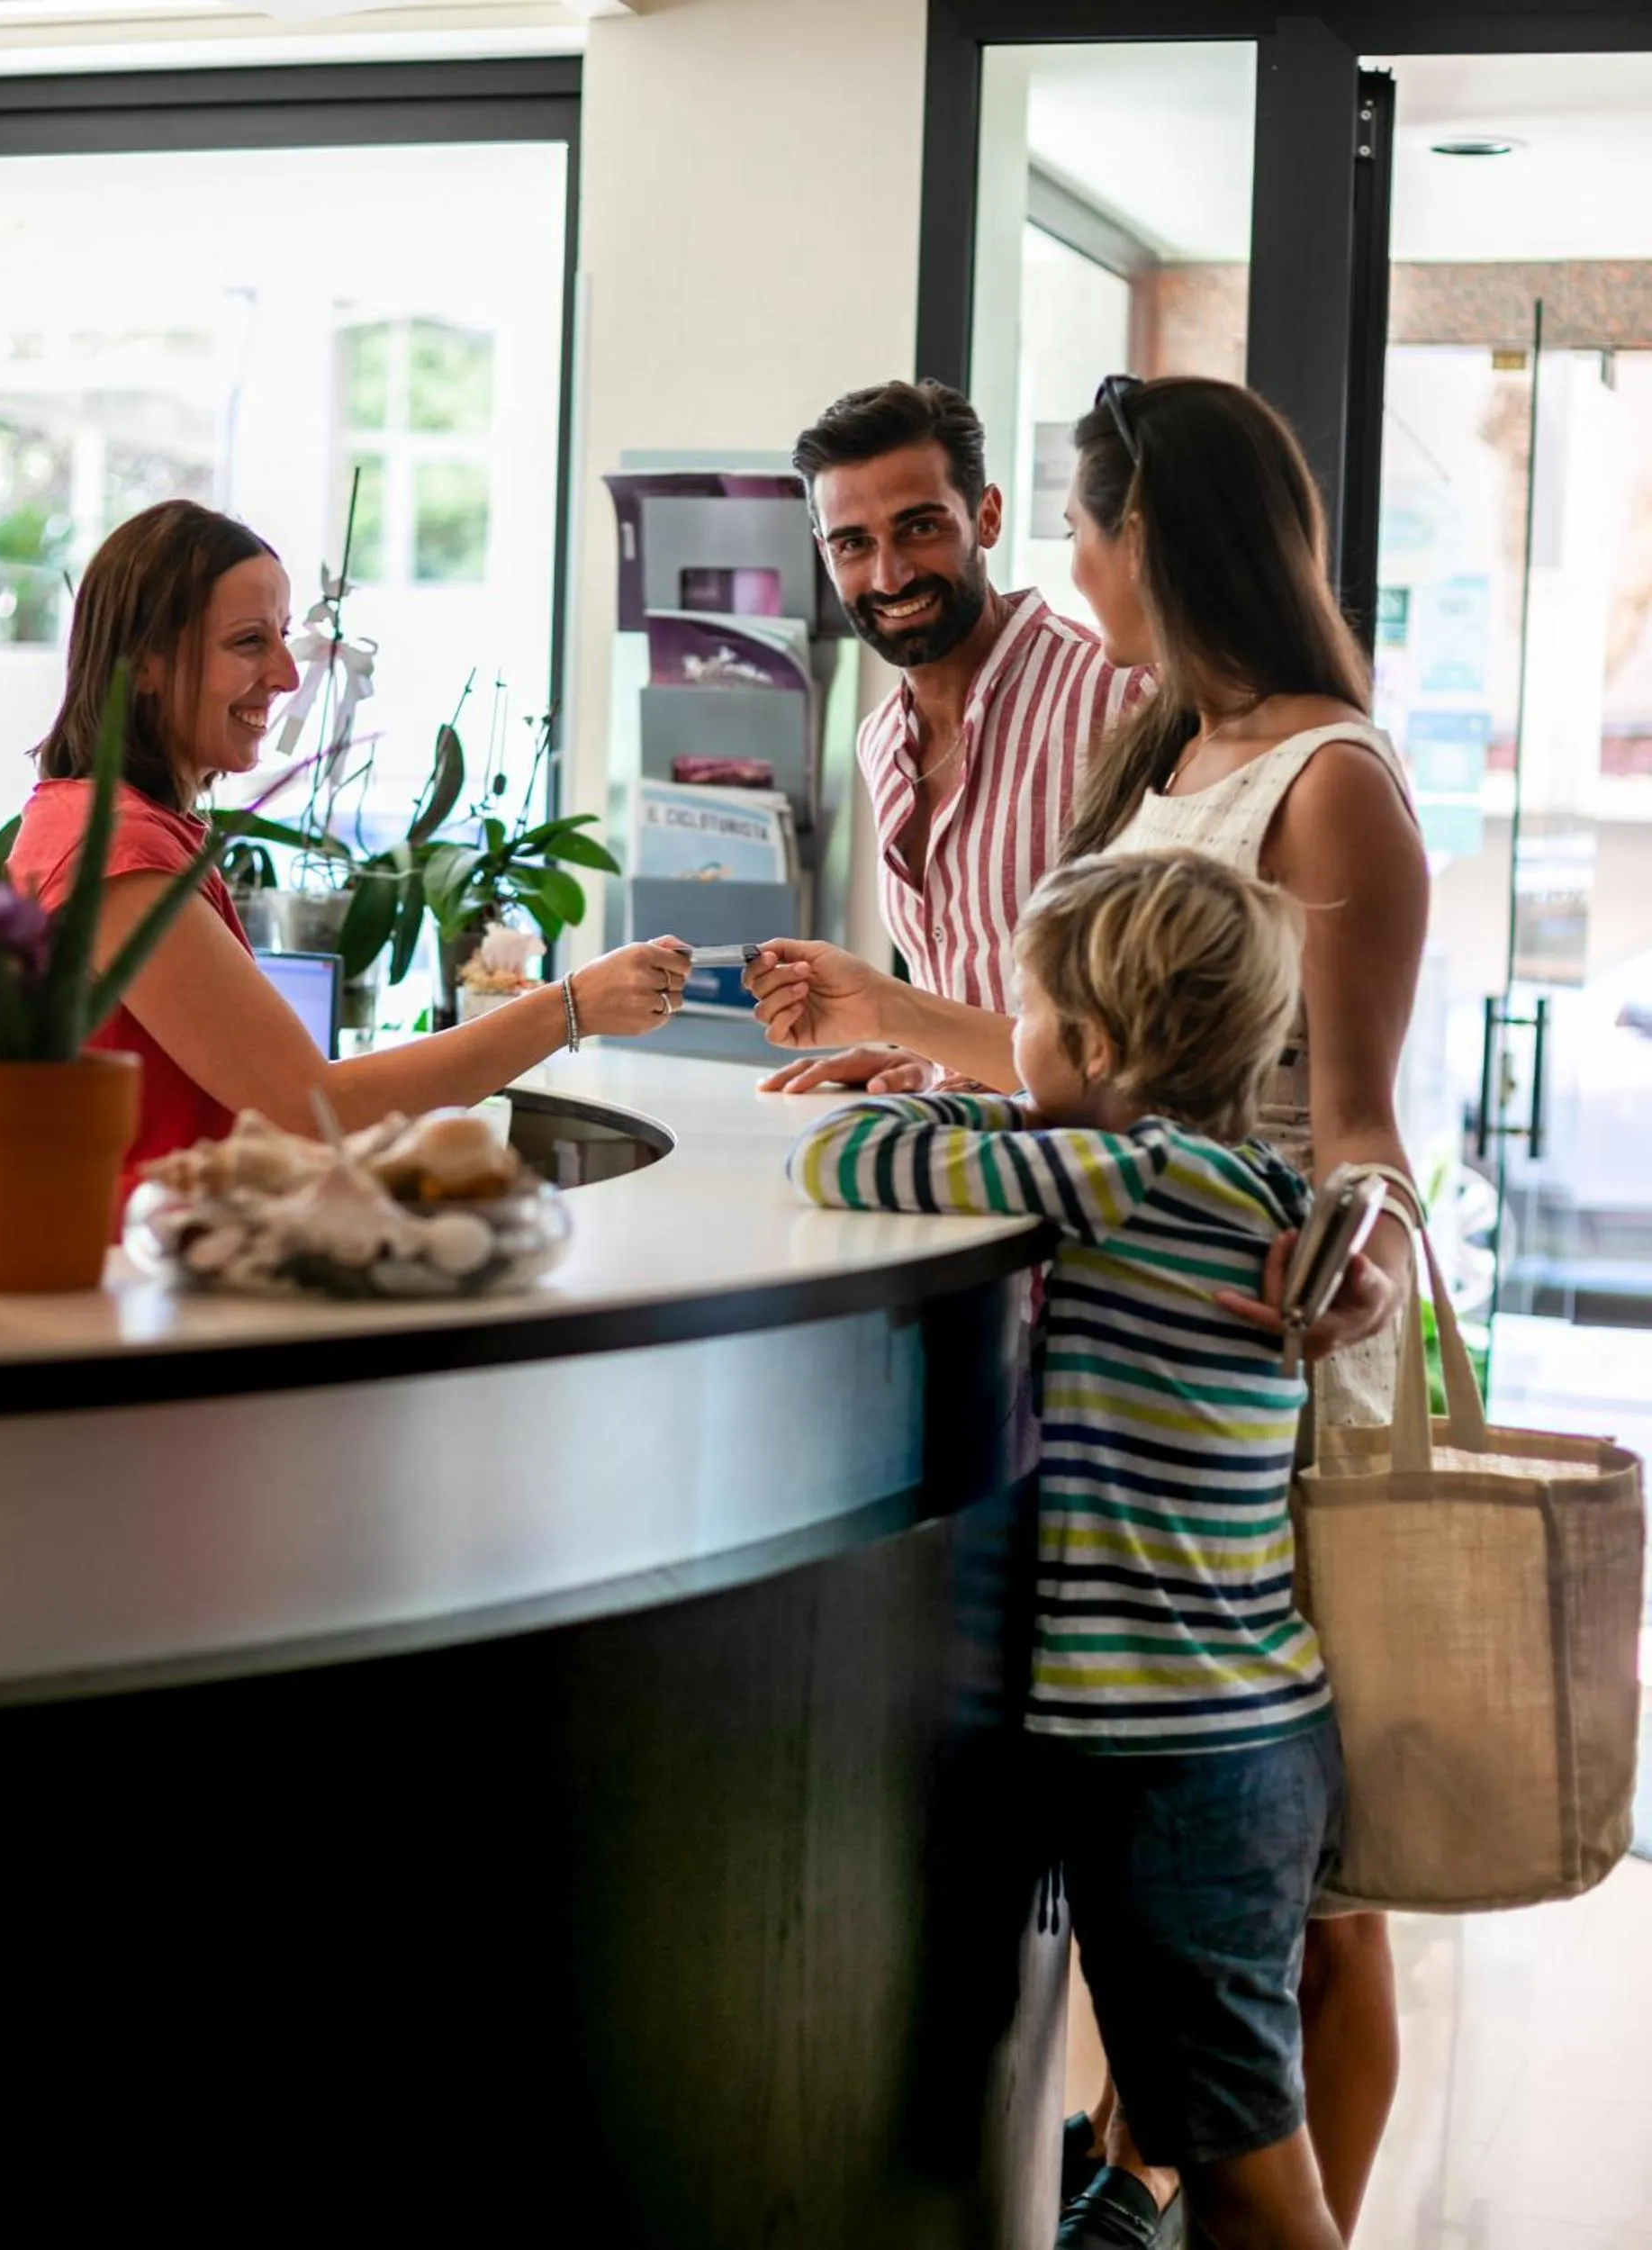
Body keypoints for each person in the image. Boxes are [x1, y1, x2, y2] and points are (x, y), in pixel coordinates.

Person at [747, 375, 1428, 2245]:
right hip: (1138, 1335)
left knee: (1327, 1894)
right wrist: (920, 1063)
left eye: (1077, 524)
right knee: (1218, 1904)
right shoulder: (1161, 752)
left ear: (1146, 540)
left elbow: (1358, 1122)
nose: (1068, 562)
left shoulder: (1332, 776)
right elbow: (1084, 1057)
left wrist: (1361, 1238)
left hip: (1275, 1339)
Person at [791, 850, 1347, 2250]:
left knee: (1245, 2166)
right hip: (1234, 1732)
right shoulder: (1240, 1178)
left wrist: (945, 1097)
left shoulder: (1127, 1172)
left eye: (1022, 1012)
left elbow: (845, 1156)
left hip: (1171, 1757)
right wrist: (1004, 1095)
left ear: (1094, 1047)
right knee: (1199, 2112)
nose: (1006, 1030)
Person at [9, 501, 691, 1197]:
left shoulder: (107, 826)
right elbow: (311, 1111)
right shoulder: (119, 851)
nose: (286, 672)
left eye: (281, 635)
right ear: (144, 665)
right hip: (137, 1279)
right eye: (248, 642)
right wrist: (567, 1007)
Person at [760, 377, 1147, 1097]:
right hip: (963, 1170)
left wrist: (899, 1013)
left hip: (1095, 1182)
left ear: (986, 516)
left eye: (920, 526)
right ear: (824, 552)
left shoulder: (1120, 699)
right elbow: (984, 1005)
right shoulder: (880, 741)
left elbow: (1158, 1042)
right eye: (853, 543)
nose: (889, 573)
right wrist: (926, 1057)